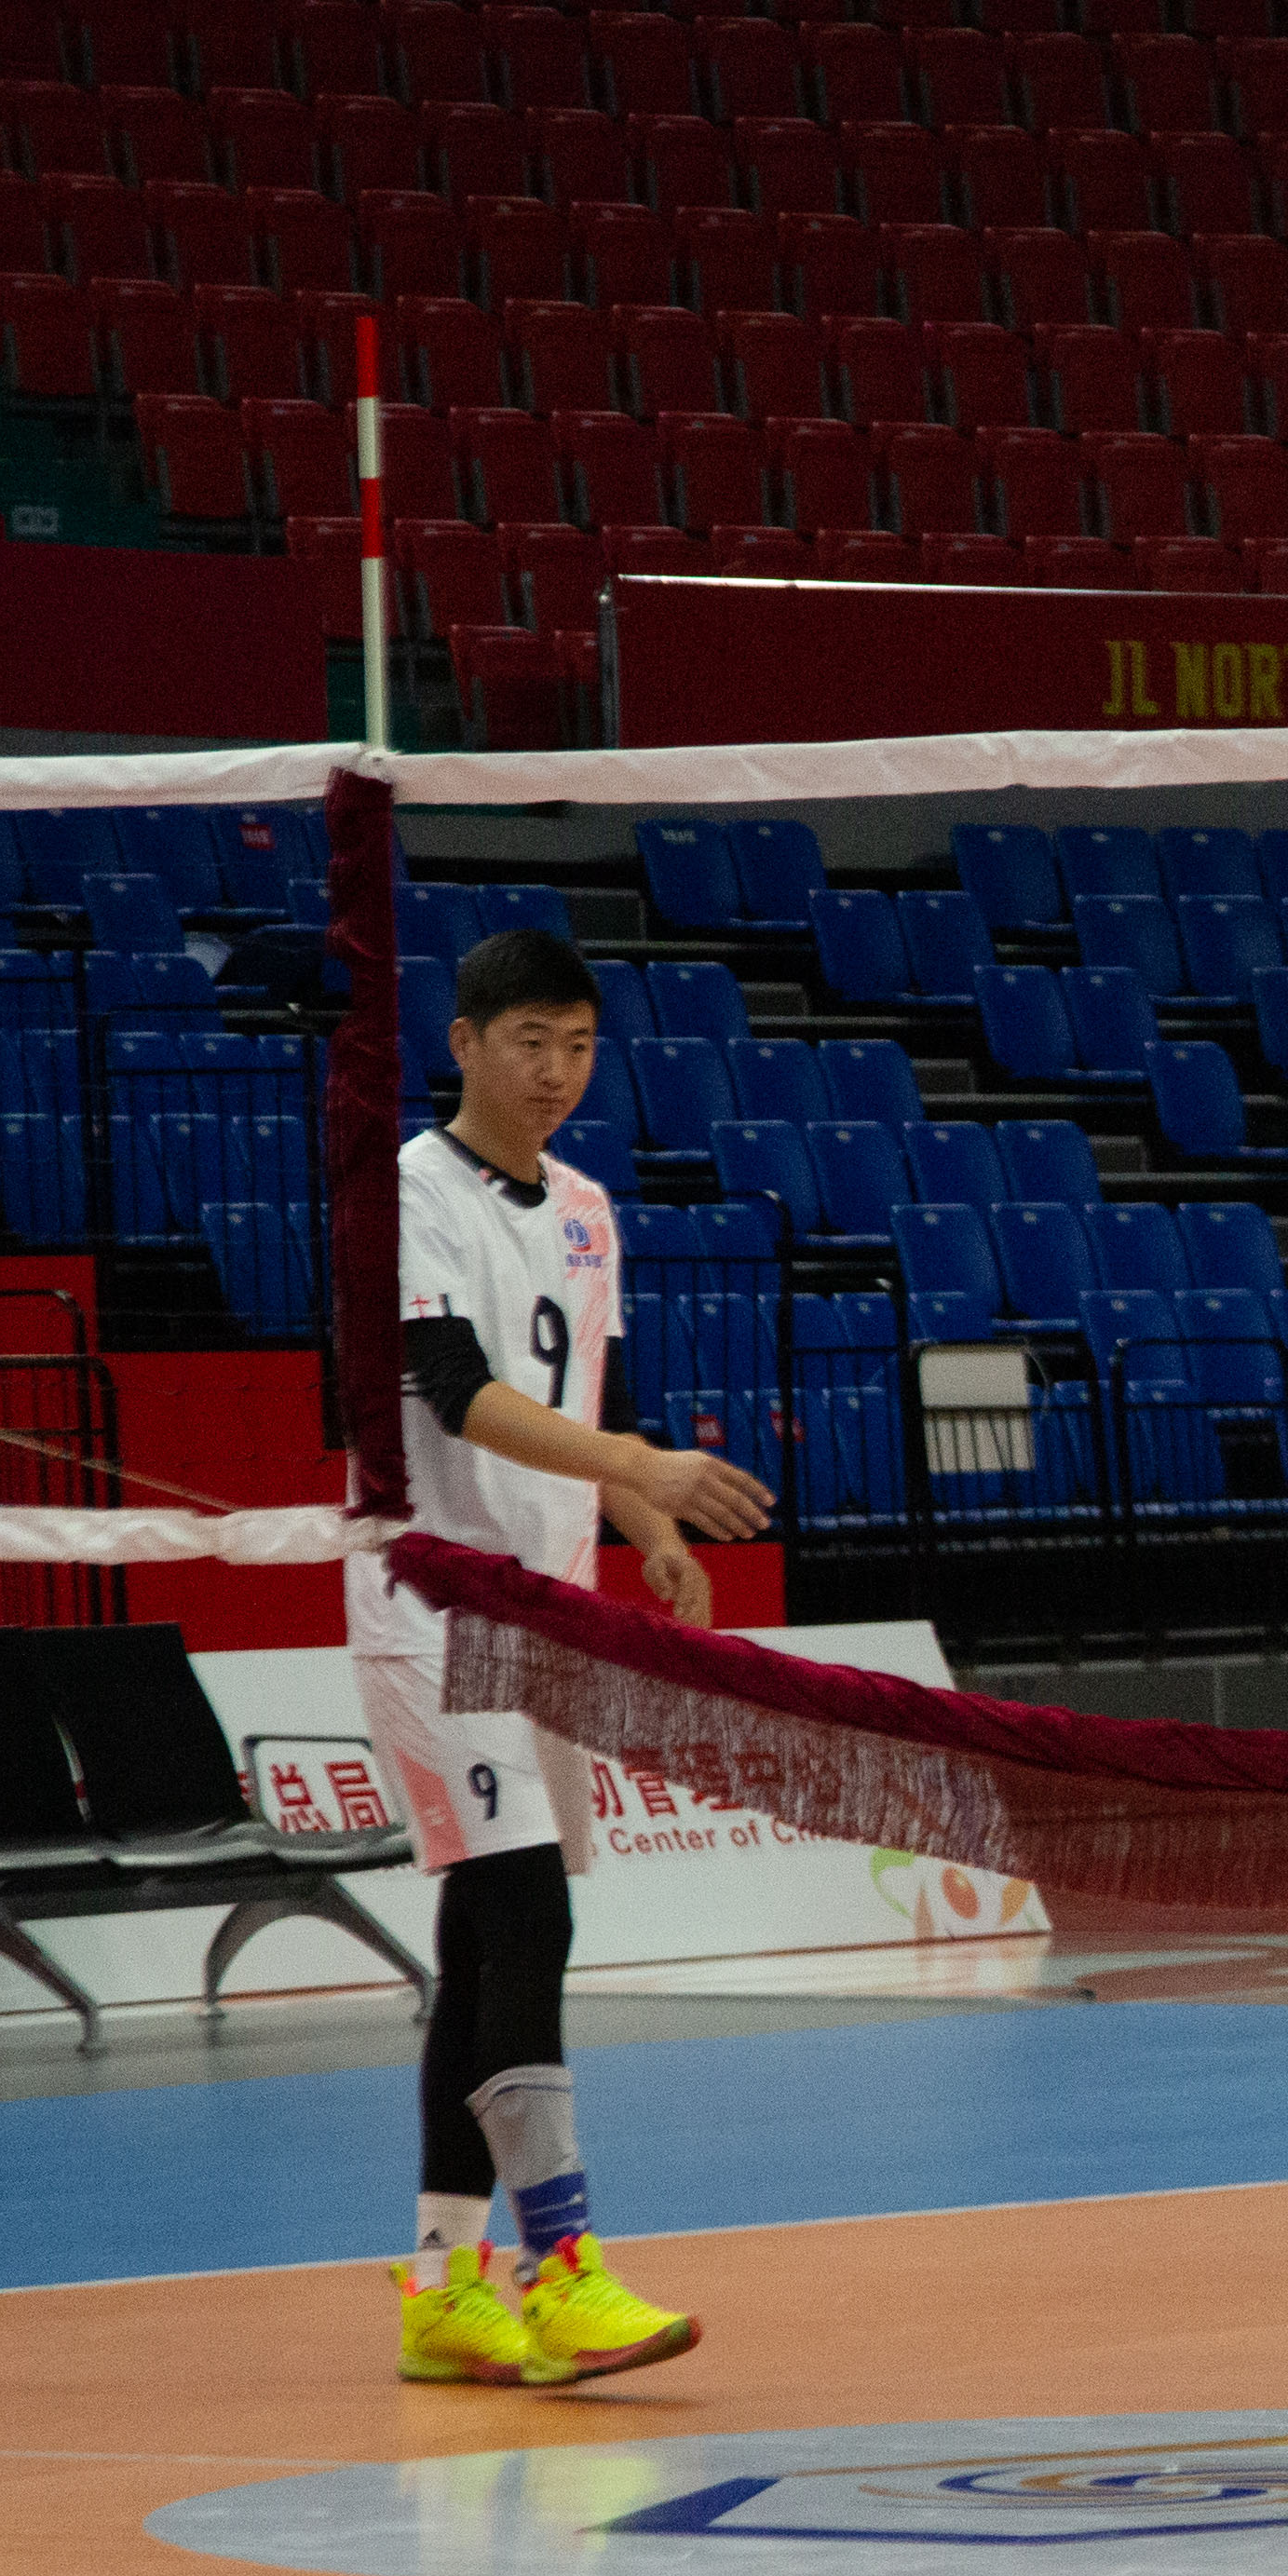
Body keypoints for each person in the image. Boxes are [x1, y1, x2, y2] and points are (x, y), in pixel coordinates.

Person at [346, 926, 774, 2382]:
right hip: (430, 1601)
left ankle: (441, 2283)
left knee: (483, 1945)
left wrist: (643, 1515)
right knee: (525, 1915)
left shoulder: (586, 1206)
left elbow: (581, 1390)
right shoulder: (405, 1190)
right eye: (529, 1040)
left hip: (550, 1607)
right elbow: (457, 1391)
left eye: (580, 1043)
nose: (556, 1070)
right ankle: (562, 2265)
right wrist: (634, 1458)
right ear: (462, 1041)